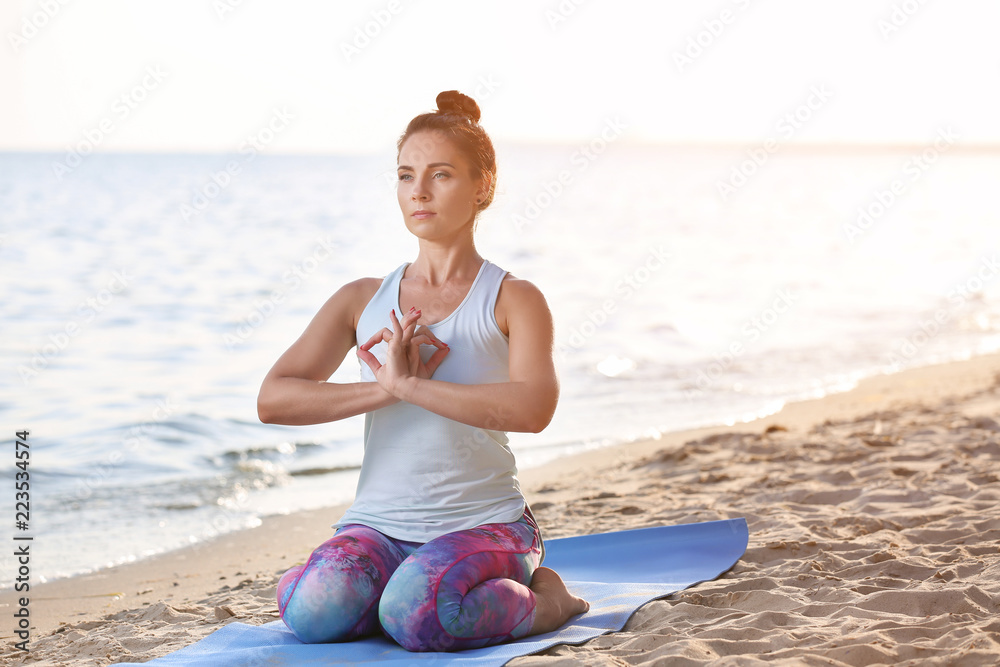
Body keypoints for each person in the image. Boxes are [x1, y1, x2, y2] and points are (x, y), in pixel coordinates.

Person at [257, 90, 589, 652]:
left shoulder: (513, 298)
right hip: (378, 526)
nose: (419, 191)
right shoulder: (360, 299)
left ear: (481, 186)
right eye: (406, 175)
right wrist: (383, 391)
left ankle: (550, 598)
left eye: (441, 175)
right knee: (313, 615)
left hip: (484, 524)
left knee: (419, 619)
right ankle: (379, 591)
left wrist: (415, 385)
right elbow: (273, 400)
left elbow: (535, 408)